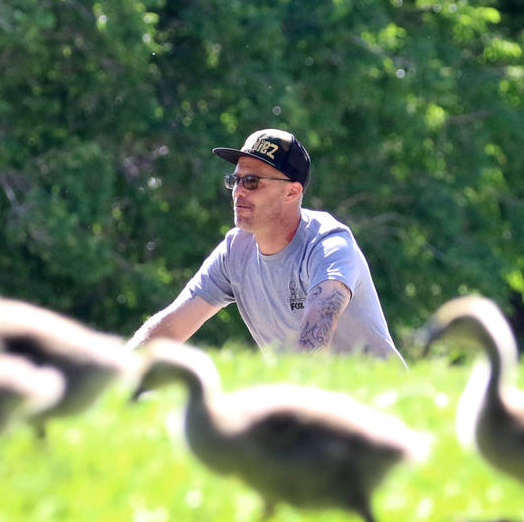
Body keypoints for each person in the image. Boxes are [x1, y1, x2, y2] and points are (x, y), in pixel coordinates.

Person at [128, 128, 405, 364]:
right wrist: (112, 386)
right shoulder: (234, 252)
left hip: (385, 407)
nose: (238, 191)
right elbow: (169, 329)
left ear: (292, 191)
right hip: (309, 406)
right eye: (234, 180)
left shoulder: (329, 244)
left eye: (251, 181)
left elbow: (315, 337)